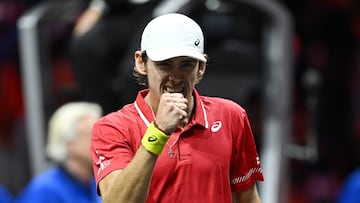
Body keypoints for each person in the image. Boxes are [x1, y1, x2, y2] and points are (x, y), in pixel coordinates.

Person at [91, 13, 264, 203]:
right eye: (164, 65)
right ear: (141, 63)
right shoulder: (112, 128)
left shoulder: (231, 116)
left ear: (201, 67)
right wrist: (159, 132)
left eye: (186, 65)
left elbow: (248, 197)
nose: (176, 77)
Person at [16, 102, 102, 203]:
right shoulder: (45, 190)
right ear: (69, 144)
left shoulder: (96, 183)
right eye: (92, 136)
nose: (102, 142)